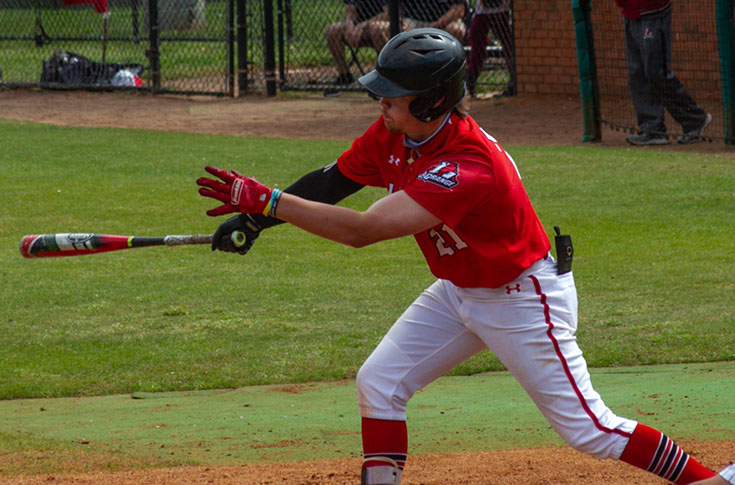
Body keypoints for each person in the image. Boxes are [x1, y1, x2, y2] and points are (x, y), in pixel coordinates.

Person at [198, 28, 734, 485]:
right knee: (379, 383)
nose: (380, 104)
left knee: (589, 430)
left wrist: (268, 200)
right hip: (460, 291)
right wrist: (254, 222)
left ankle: (711, 481)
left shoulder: (466, 164)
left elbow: (364, 230)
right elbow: (332, 182)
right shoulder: (394, 133)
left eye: (392, 95)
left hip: (522, 297)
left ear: (431, 101)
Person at [615, 0, 712, 145]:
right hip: (631, 13)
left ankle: (694, 119)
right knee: (637, 73)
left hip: (653, 13)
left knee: (656, 72)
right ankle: (652, 129)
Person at [326, 0, 388, 88]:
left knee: (376, 29)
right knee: (332, 30)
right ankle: (345, 76)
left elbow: (387, 14)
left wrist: (363, 25)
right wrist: (349, 25)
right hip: (360, 26)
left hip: (384, 23)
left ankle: (386, 76)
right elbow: (350, 11)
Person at [370, 0, 467, 50]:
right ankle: (395, 69)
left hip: (444, 23)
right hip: (411, 22)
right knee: (378, 29)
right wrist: (403, 24)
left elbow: (458, 10)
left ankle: (449, 73)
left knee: (457, 30)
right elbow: (395, 9)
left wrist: (434, 27)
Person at [465, 0, 515, 97]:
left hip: (501, 8)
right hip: (483, 10)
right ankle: (470, 81)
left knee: (507, 41)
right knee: (477, 38)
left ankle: (515, 78)